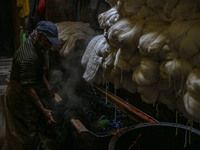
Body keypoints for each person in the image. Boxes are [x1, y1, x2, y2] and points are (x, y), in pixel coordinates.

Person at [2, 21, 62, 150]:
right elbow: (28, 89)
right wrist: (44, 111)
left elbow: (40, 71)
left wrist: (48, 88)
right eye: (49, 41)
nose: (50, 45)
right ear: (40, 34)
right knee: (23, 134)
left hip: (26, 89)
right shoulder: (28, 56)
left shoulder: (36, 44)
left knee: (30, 131)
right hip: (19, 96)